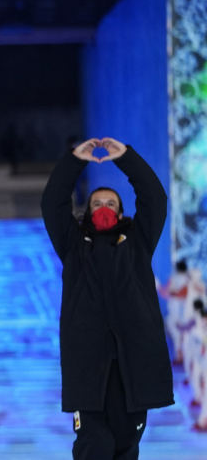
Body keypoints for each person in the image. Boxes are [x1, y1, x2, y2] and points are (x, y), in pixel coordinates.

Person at [40, 138, 174, 459]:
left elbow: (154, 198)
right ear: (86, 213)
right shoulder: (74, 246)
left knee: (125, 446)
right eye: (96, 204)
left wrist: (125, 157)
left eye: (110, 204)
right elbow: (52, 203)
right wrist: (75, 160)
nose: (103, 209)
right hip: (88, 369)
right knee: (94, 444)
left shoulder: (137, 243)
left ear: (121, 212)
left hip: (134, 365)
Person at [160, 260, 191, 364]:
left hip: (183, 311)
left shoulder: (187, 279)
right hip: (177, 311)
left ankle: (183, 357)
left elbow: (171, 293)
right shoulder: (175, 278)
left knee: (182, 334)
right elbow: (167, 293)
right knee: (176, 333)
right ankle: (180, 356)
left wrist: (160, 288)